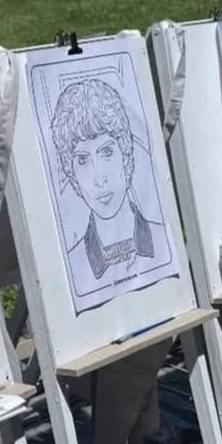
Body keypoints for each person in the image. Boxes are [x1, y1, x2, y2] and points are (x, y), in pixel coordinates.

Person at [52, 77, 167, 290]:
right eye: (83, 160)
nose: (99, 178)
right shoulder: (72, 269)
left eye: (106, 152)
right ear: (71, 173)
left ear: (125, 154)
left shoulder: (165, 242)